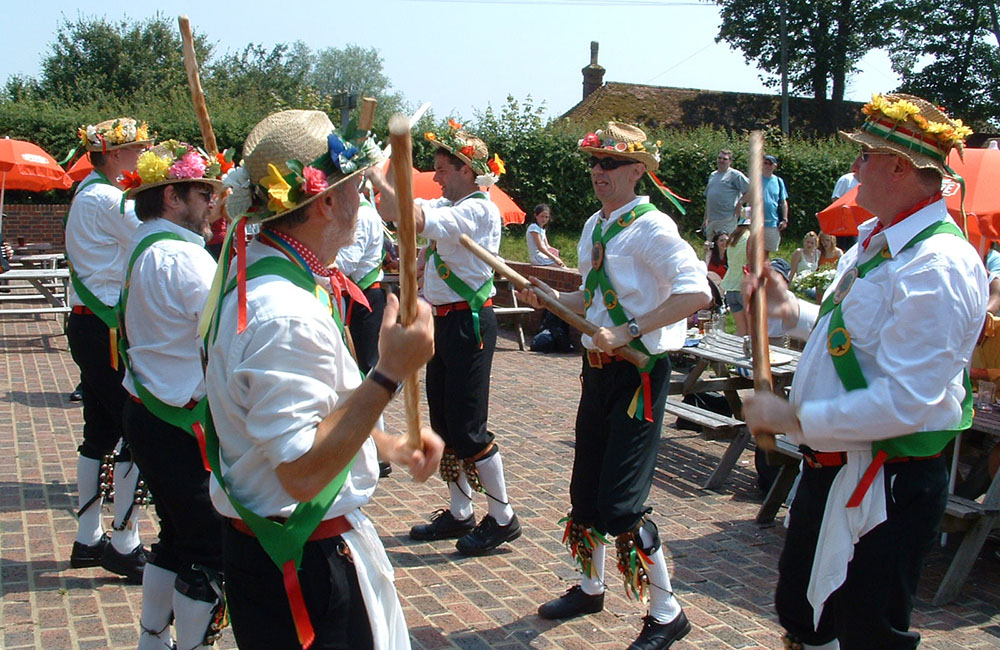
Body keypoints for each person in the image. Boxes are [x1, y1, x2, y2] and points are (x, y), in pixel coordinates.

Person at [742, 93, 984, 650]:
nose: (854, 166)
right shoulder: (876, 242)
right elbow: (852, 334)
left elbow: (907, 401)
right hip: (833, 468)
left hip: (887, 482)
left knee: (868, 633)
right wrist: (790, 310)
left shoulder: (938, 266)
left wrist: (794, 418)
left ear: (899, 167)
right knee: (804, 615)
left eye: (865, 156)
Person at [203, 109, 443, 649]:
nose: (365, 196)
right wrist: (389, 373)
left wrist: (388, 444)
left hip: (283, 555)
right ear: (327, 201)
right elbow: (302, 472)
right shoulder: (286, 312)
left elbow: (315, 413)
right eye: (355, 184)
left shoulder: (265, 273)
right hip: (303, 565)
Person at [521, 121, 710, 650]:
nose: (598, 171)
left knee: (622, 503)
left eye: (609, 163)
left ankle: (668, 612)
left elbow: (697, 294)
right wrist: (552, 299)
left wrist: (628, 331)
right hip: (597, 371)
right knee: (585, 491)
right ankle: (590, 588)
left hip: (638, 375)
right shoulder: (594, 225)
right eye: (594, 162)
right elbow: (591, 296)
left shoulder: (654, 228)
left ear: (637, 171)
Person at [368, 121, 522, 557]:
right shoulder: (448, 203)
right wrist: (377, 178)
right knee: (444, 426)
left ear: (466, 171)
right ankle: (460, 511)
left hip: (468, 323)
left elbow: (412, 217)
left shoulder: (479, 210)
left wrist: (379, 173)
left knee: (469, 429)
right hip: (441, 322)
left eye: (441, 169)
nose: (435, 177)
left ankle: (503, 517)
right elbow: (395, 212)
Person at [118, 141, 228, 650]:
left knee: (176, 539)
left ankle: (152, 640)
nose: (212, 204)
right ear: (170, 196)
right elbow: (229, 334)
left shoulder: (143, 244)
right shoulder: (184, 258)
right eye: (203, 194)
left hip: (148, 414)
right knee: (208, 550)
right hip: (182, 425)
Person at [65, 117, 152, 583]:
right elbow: (153, 233)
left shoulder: (89, 192)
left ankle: (88, 537)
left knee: (99, 431)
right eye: (137, 149)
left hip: (91, 323)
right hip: (106, 329)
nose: (142, 155)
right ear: (115, 154)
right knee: (134, 429)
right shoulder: (108, 199)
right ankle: (124, 543)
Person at [335, 188, 392, 477]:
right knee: (360, 373)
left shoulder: (363, 215)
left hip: (365, 298)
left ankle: (379, 453)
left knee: (367, 373)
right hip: (357, 298)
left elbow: (348, 262)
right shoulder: (358, 213)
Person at [702, 149, 749, 240]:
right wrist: (705, 219)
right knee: (710, 246)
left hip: (727, 219)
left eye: (725, 159)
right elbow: (709, 199)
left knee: (725, 245)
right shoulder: (713, 175)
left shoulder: (735, 175)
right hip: (711, 220)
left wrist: (740, 203)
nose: (721, 161)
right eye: (719, 158)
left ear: (730, 161)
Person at [719, 218, 750, 337]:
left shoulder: (733, 238)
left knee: (741, 331)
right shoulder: (750, 238)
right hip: (744, 287)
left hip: (730, 287)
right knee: (752, 332)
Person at [762, 154, 789, 253]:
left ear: (775, 166)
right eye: (765, 163)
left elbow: (783, 202)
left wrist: (785, 219)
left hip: (772, 223)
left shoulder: (778, 181)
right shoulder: (754, 179)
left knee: (767, 252)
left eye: (770, 164)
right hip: (756, 222)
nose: (767, 166)